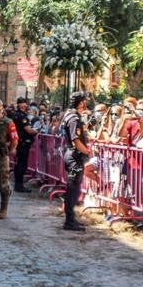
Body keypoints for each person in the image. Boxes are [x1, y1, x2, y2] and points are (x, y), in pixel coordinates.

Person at [60, 92, 91, 232]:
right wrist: (88, 152)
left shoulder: (70, 116)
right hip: (74, 157)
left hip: (73, 156)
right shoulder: (73, 118)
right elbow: (76, 140)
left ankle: (71, 219)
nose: (86, 104)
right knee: (73, 189)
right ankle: (69, 221)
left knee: (74, 189)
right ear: (80, 103)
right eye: (84, 101)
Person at [9, 98, 37, 194]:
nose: (24, 106)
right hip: (23, 143)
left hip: (18, 142)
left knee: (19, 164)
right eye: (22, 104)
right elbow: (28, 129)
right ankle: (19, 185)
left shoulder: (15, 115)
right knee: (22, 164)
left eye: (25, 104)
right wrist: (36, 131)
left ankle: (18, 184)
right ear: (18, 105)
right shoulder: (22, 116)